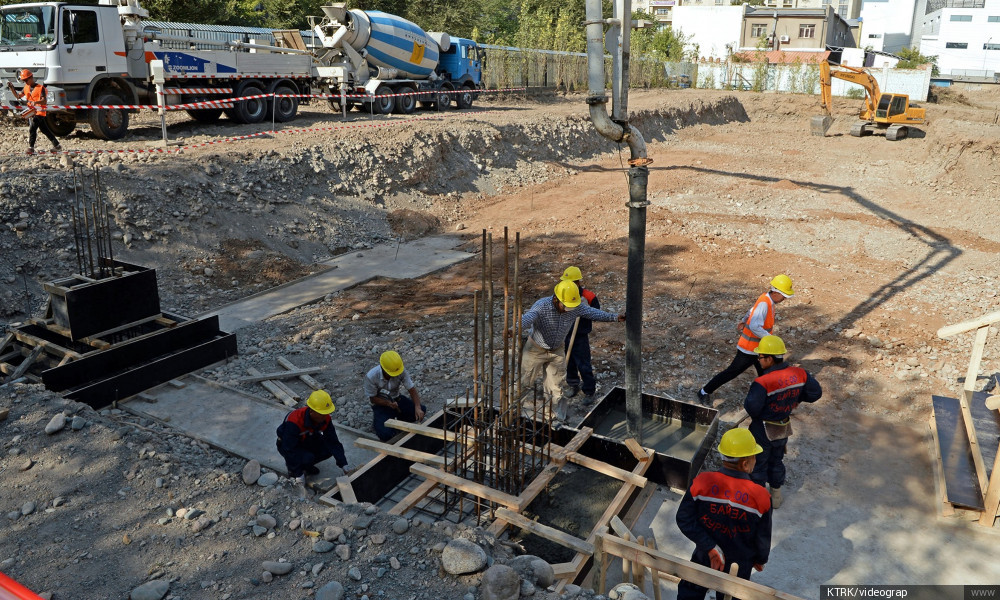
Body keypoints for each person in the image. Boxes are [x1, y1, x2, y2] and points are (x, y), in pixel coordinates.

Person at [675, 428, 772, 600]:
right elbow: (762, 538)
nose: (756, 460)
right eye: (754, 456)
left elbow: (684, 518)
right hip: (740, 562)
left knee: (690, 591)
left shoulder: (702, 482)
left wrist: (710, 546)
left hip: (706, 554)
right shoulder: (761, 496)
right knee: (732, 596)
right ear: (744, 463)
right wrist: (760, 559)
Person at [519, 279, 624, 420]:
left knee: (555, 388)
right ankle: (511, 412)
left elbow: (594, 313)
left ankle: (552, 417)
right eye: (565, 306)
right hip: (535, 349)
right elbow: (528, 318)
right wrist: (514, 328)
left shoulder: (575, 307)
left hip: (556, 350)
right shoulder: (541, 306)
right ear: (556, 299)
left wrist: (615, 317)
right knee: (524, 382)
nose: (568, 309)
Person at [743, 335, 822, 508]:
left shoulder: (762, 382)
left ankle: (759, 500)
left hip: (763, 427)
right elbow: (816, 393)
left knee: (758, 462)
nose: (759, 360)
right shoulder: (800, 373)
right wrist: (794, 401)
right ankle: (776, 496)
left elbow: (752, 408)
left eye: (761, 357)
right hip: (783, 426)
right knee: (776, 459)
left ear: (769, 358)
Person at [697, 274, 794, 403]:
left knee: (766, 373)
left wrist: (744, 320)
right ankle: (704, 392)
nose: (784, 299)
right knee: (732, 372)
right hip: (749, 349)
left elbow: (751, 311)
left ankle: (771, 397)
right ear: (776, 292)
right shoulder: (765, 304)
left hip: (759, 348)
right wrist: (769, 339)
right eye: (784, 296)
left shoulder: (766, 300)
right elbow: (754, 325)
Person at [275, 390, 350, 483]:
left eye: (326, 413)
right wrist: (298, 474)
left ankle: (306, 467)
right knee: (307, 458)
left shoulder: (325, 418)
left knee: (328, 449)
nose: (325, 417)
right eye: (322, 414)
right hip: (287, 445)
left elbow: (333, 441)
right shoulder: (294, 421)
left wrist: (343, 463)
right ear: (311, 411)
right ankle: (294, 471)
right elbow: (289, 449)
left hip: (308, 439)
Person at [560, 266, 601, 405]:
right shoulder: (563, 292)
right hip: (566, 332)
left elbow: (597, 313)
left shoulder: (588, 296)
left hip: (580, 335)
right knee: (569, 361)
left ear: (578, 282)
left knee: (583, 363)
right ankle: (573, 385)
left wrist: (585, 310)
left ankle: (589, 391)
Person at [365, 350, 426, 442]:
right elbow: (373, 399)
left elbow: (412, 390)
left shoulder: (400, 370)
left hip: (397, 399)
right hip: (382, 405)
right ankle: (382, 422)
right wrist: (388, 403)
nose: (395, 375)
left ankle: (398, 417)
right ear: (383, 368)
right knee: (386, 435)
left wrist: (417, 407)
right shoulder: (371, 376)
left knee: (421, 410)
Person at [6, 69, 61, 155]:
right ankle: (57, 145)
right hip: (32, 112)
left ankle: (31, 147)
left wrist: (36, 102)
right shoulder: (26, 88)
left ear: (31, 77)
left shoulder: (40, 88)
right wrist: (12, 88)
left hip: (39, 112)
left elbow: (44, 100)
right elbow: (17, 96)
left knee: (33, 128)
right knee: (44, 130)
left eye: (26, 80)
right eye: (24, 81)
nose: (25, 82)